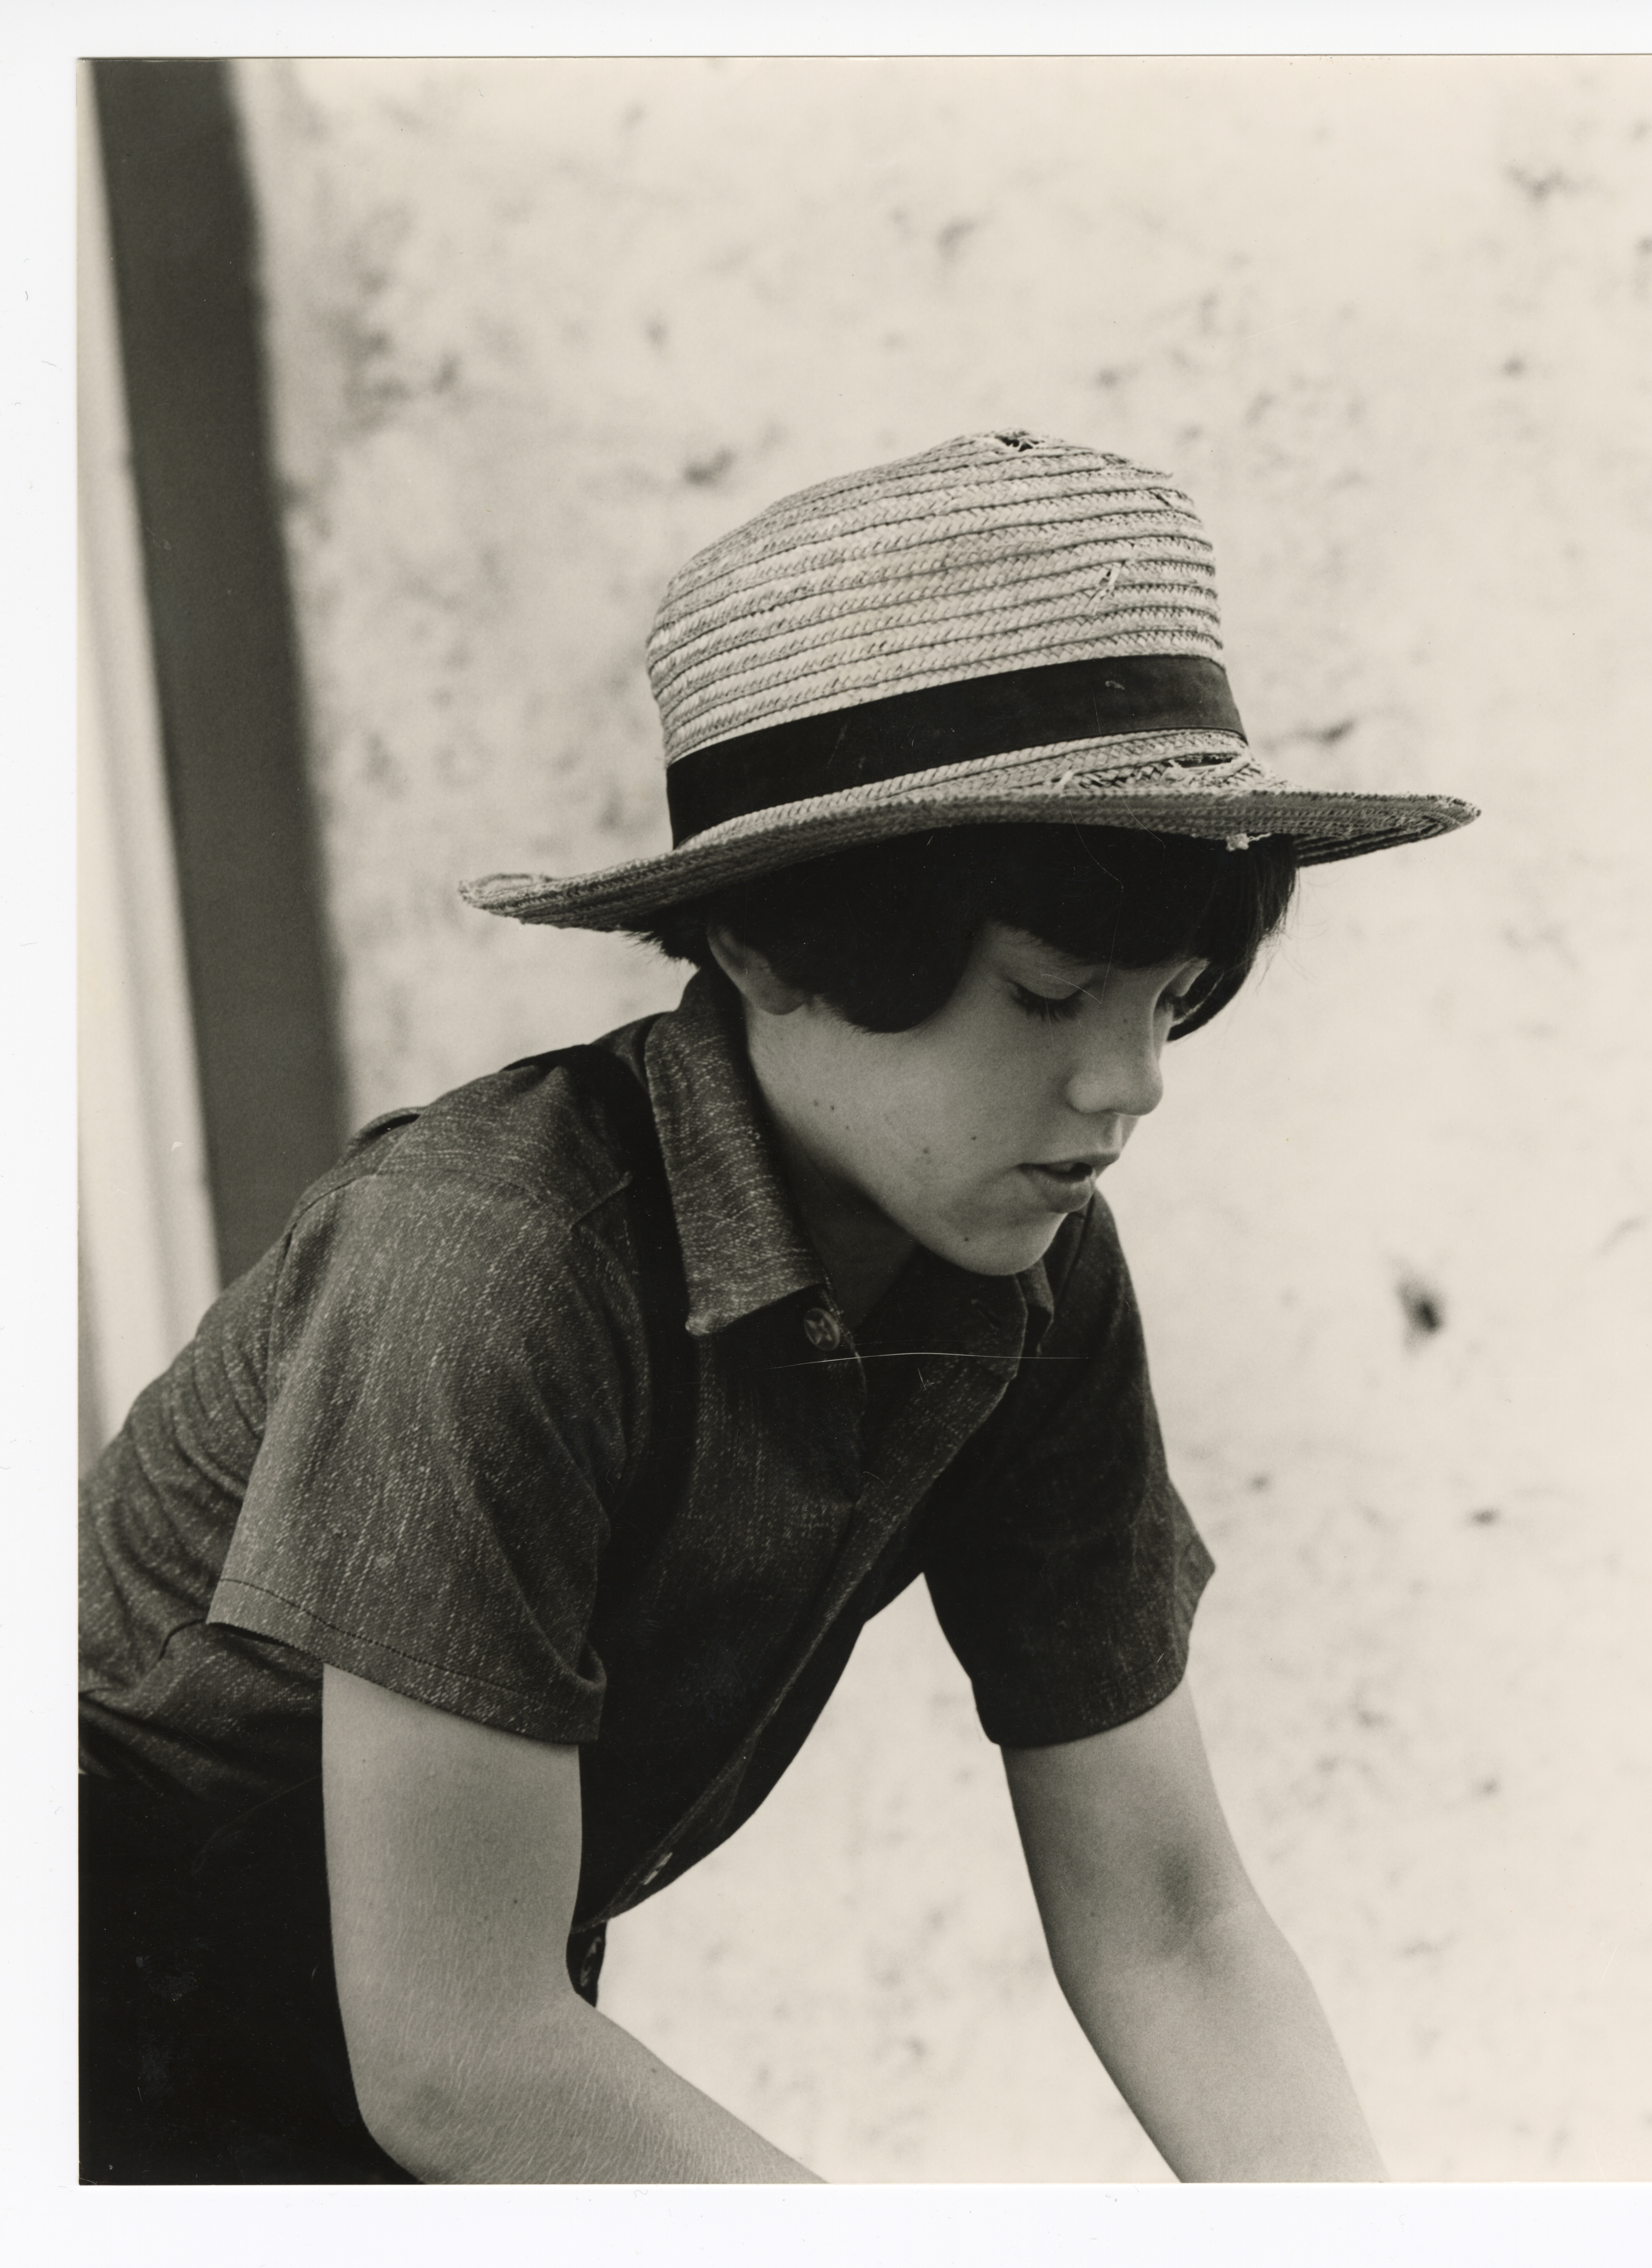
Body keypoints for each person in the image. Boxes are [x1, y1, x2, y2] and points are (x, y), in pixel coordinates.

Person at [78, 430, 1477, 2184]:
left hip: (405, 2075)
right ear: (773, 947)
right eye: (1046, 995)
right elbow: (457, 2050)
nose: (1127, 1086)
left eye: (1168, 1000)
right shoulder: (489, 1260)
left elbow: (1170, 1918)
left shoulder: (1025, 1271)